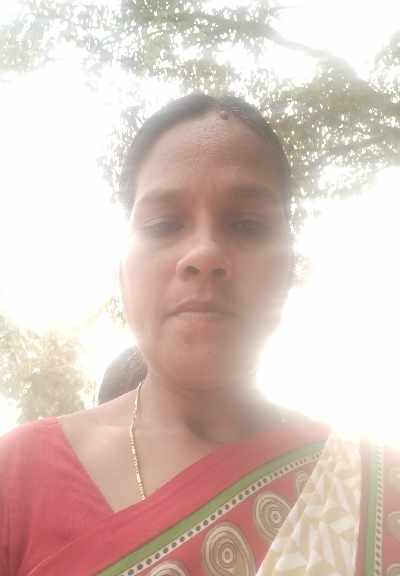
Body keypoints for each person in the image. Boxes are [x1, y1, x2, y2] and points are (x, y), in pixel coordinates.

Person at [0, 93, 399, 576]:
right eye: (163, 224)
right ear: (122, 272)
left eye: (248, 225)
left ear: (289, 268)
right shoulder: (18, 476)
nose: (205, 253)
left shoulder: (375, 492)